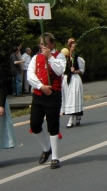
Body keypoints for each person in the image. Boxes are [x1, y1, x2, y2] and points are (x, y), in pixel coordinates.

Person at [27, 33, 66, 169]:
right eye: (41, 44)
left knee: (53, 125)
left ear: (52, 44)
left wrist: (49, 57)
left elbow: (59, 70)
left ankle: (55, 157)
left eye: (46, 44)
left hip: (53, 95)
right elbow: (30, 75)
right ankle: (46, 148)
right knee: (35, 124)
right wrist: (41, 86)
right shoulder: (35, 58)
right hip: (39, 94)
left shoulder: (59, 56)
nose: (43, 47)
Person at [61, 38, 85, 128]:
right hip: (67, 79)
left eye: (74, 44)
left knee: (74, 98)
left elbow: (81, 70)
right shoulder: (65, 58)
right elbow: (62, 70)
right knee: (69, 98)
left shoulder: (78, 58)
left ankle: (73, 118)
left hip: (74, 79)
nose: (73, 46)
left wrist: (74, 71)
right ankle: (74, 116)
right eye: (71, 44)